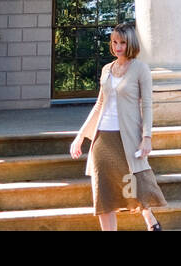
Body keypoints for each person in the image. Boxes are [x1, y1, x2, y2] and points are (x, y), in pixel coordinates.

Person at [70, 22, 168, 230]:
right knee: (103, 192)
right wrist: (80, 136)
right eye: (114, 42)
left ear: (130, 43)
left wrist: (147, 136)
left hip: (128, 138)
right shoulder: (107, 69)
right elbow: (99, 105)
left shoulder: (140, 69)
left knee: (134, 185)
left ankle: (150, 219)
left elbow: (147, 105)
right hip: (102, 139)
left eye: (122, 42)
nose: (117, 46)